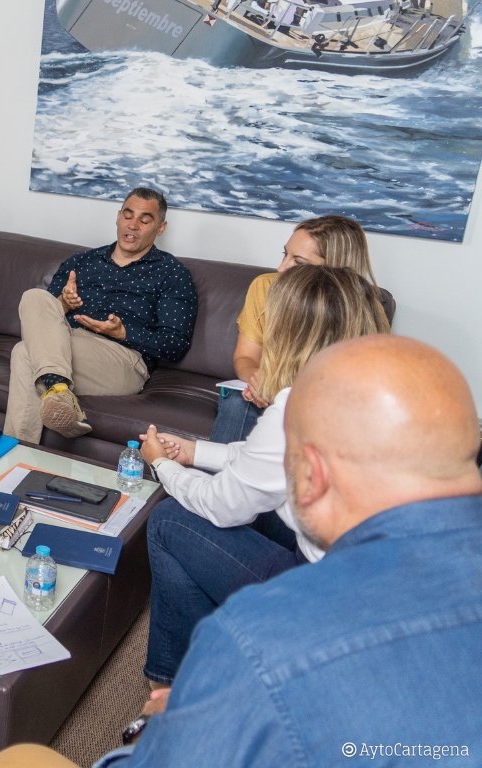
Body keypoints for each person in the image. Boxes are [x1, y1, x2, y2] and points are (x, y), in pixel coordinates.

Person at [88, 335, 482, 766]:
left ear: (311, 476)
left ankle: (165, 688)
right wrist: (198, 452)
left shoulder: (257, 640)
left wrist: (149, 728)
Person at [136, 265, 388, 689]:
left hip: (320, 593)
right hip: (370, 581)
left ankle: (173, 681)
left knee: (167, 521)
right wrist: (197, 451)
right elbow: (270, 461)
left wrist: (164, 467)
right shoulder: (373, 389)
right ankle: (212, 652)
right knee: (265, 512)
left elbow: (222, 507)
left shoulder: (298, 405)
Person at [4, 188, 197, 442]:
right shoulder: (82, 262)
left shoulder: (172, 273)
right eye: (128, 216)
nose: (133, 225)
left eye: (145, 220)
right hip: (66, 343)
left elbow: (175, 345)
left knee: (24, 353)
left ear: (160, 228)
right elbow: (43, 318)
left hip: (123, 359)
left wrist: (123, 332)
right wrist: (63, 304)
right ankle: (59, 390)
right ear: (117, 217)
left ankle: (14, 456)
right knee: (34, 297)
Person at [211, 214, 378, 443]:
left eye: (298, 262)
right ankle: (222, 478)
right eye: (285, 254)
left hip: (318, 404)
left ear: (333, 269)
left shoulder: (363, 310)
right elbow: (245, 357)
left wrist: (284, 395)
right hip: (267, 393)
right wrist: (258, 380)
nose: (281, 269)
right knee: (238, 402)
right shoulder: (265, 286)